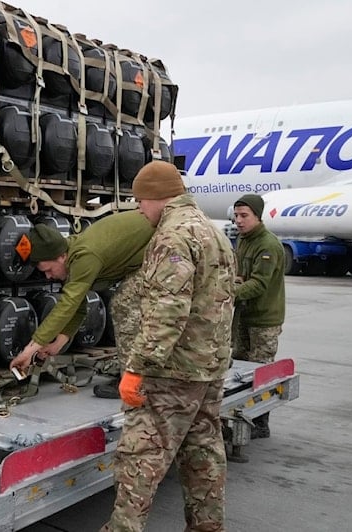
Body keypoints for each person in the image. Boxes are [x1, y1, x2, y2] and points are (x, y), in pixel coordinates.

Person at [102, 161, 236, 532]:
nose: (140, 210)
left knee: (139, 459)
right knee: (203, 452)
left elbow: (167, 309)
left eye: (140, 202)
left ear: (156, 197)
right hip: (209, 367)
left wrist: (137, 366)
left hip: (172, 372)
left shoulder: (172, 235)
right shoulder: (213, 231)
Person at [8, 211, 155, 399]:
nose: (48, 276)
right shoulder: (72, 255)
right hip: (147, 255)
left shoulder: (84, 256)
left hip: (164, 247)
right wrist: (57, 344)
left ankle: (135, 381)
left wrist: (30, 349)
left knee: (124, 305)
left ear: (61, 256)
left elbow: (68, 305)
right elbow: (78, 306)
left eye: (48, 270)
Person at [231, 193, 285, 441]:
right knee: (239, 370)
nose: (239, 221)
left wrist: (228, 292)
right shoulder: (244, 240)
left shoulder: (267, 244)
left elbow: (259, 284)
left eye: (244, 216)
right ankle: (241, 417)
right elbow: (242, 275)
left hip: (263, 320)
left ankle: (261, 422)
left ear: (257, 216)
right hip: (244, 315)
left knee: (260, 373)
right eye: (236, 216)